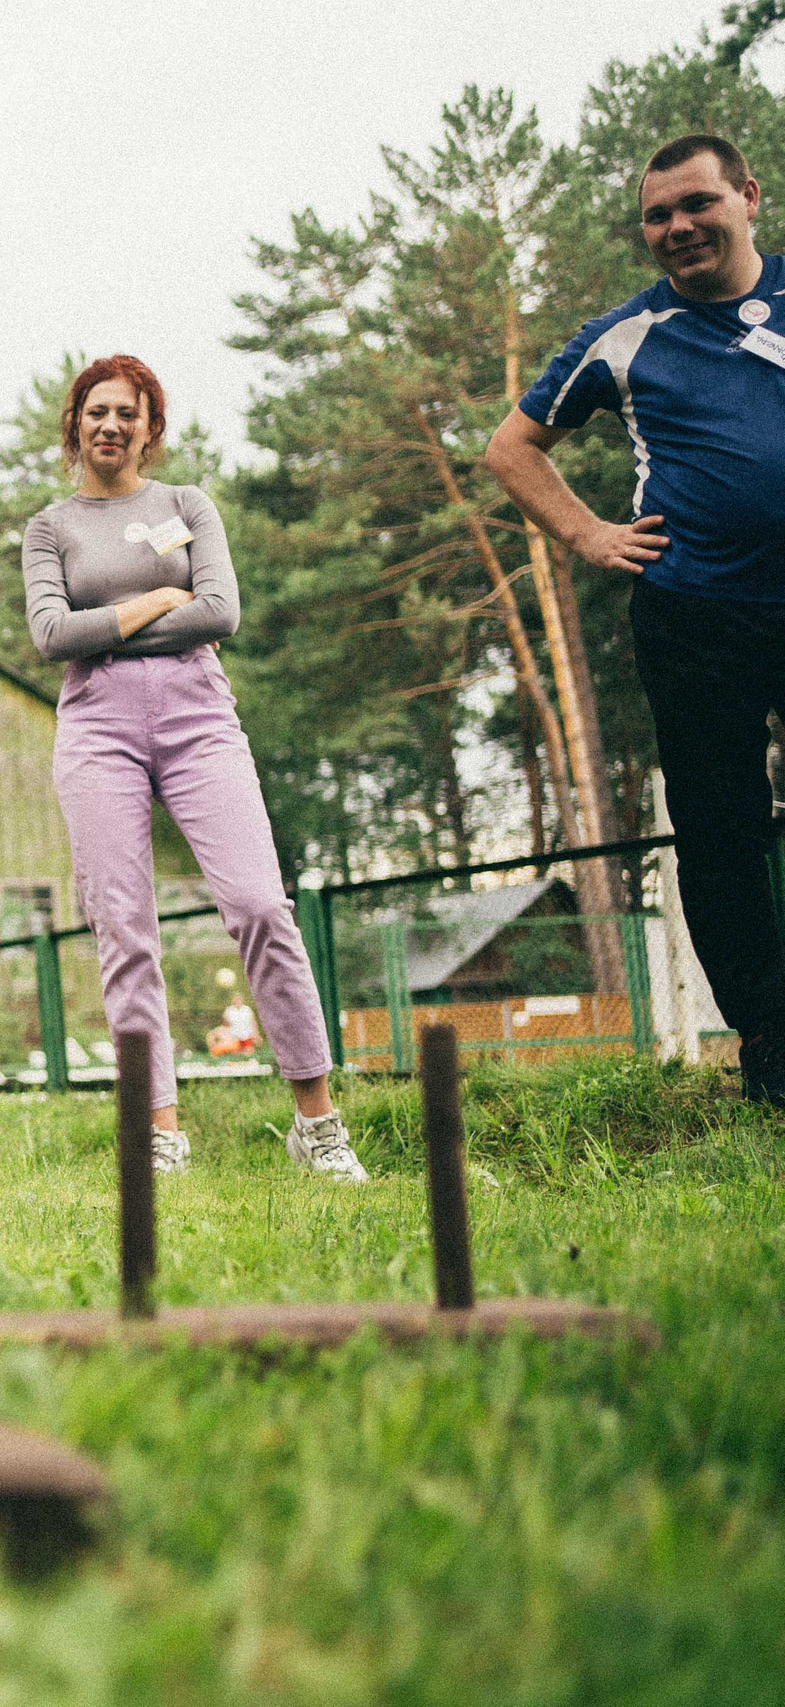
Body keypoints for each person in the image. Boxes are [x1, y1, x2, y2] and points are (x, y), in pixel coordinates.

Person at [486, 133, 785, 1103]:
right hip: (695, 616)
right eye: (657, 215)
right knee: (720, 830)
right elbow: (512, 448)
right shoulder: (624, 335)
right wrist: (585, 536)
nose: (677, 227)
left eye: (696, 204)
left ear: (746, 196)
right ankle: (770, 1046)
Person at [23, 353, 364, 1179]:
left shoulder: (186, 505)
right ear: (76, 424)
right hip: (97, 727)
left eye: (127, 412)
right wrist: (154, 602)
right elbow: (48, 637)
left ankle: (317, 1124)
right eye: (96, 411)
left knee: (259, 904)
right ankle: (162, 1130)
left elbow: (223, 611)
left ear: (150, 427)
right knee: (124, 925)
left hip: (199, 717)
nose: (111, 424)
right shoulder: (50, 528)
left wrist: (103, 620)